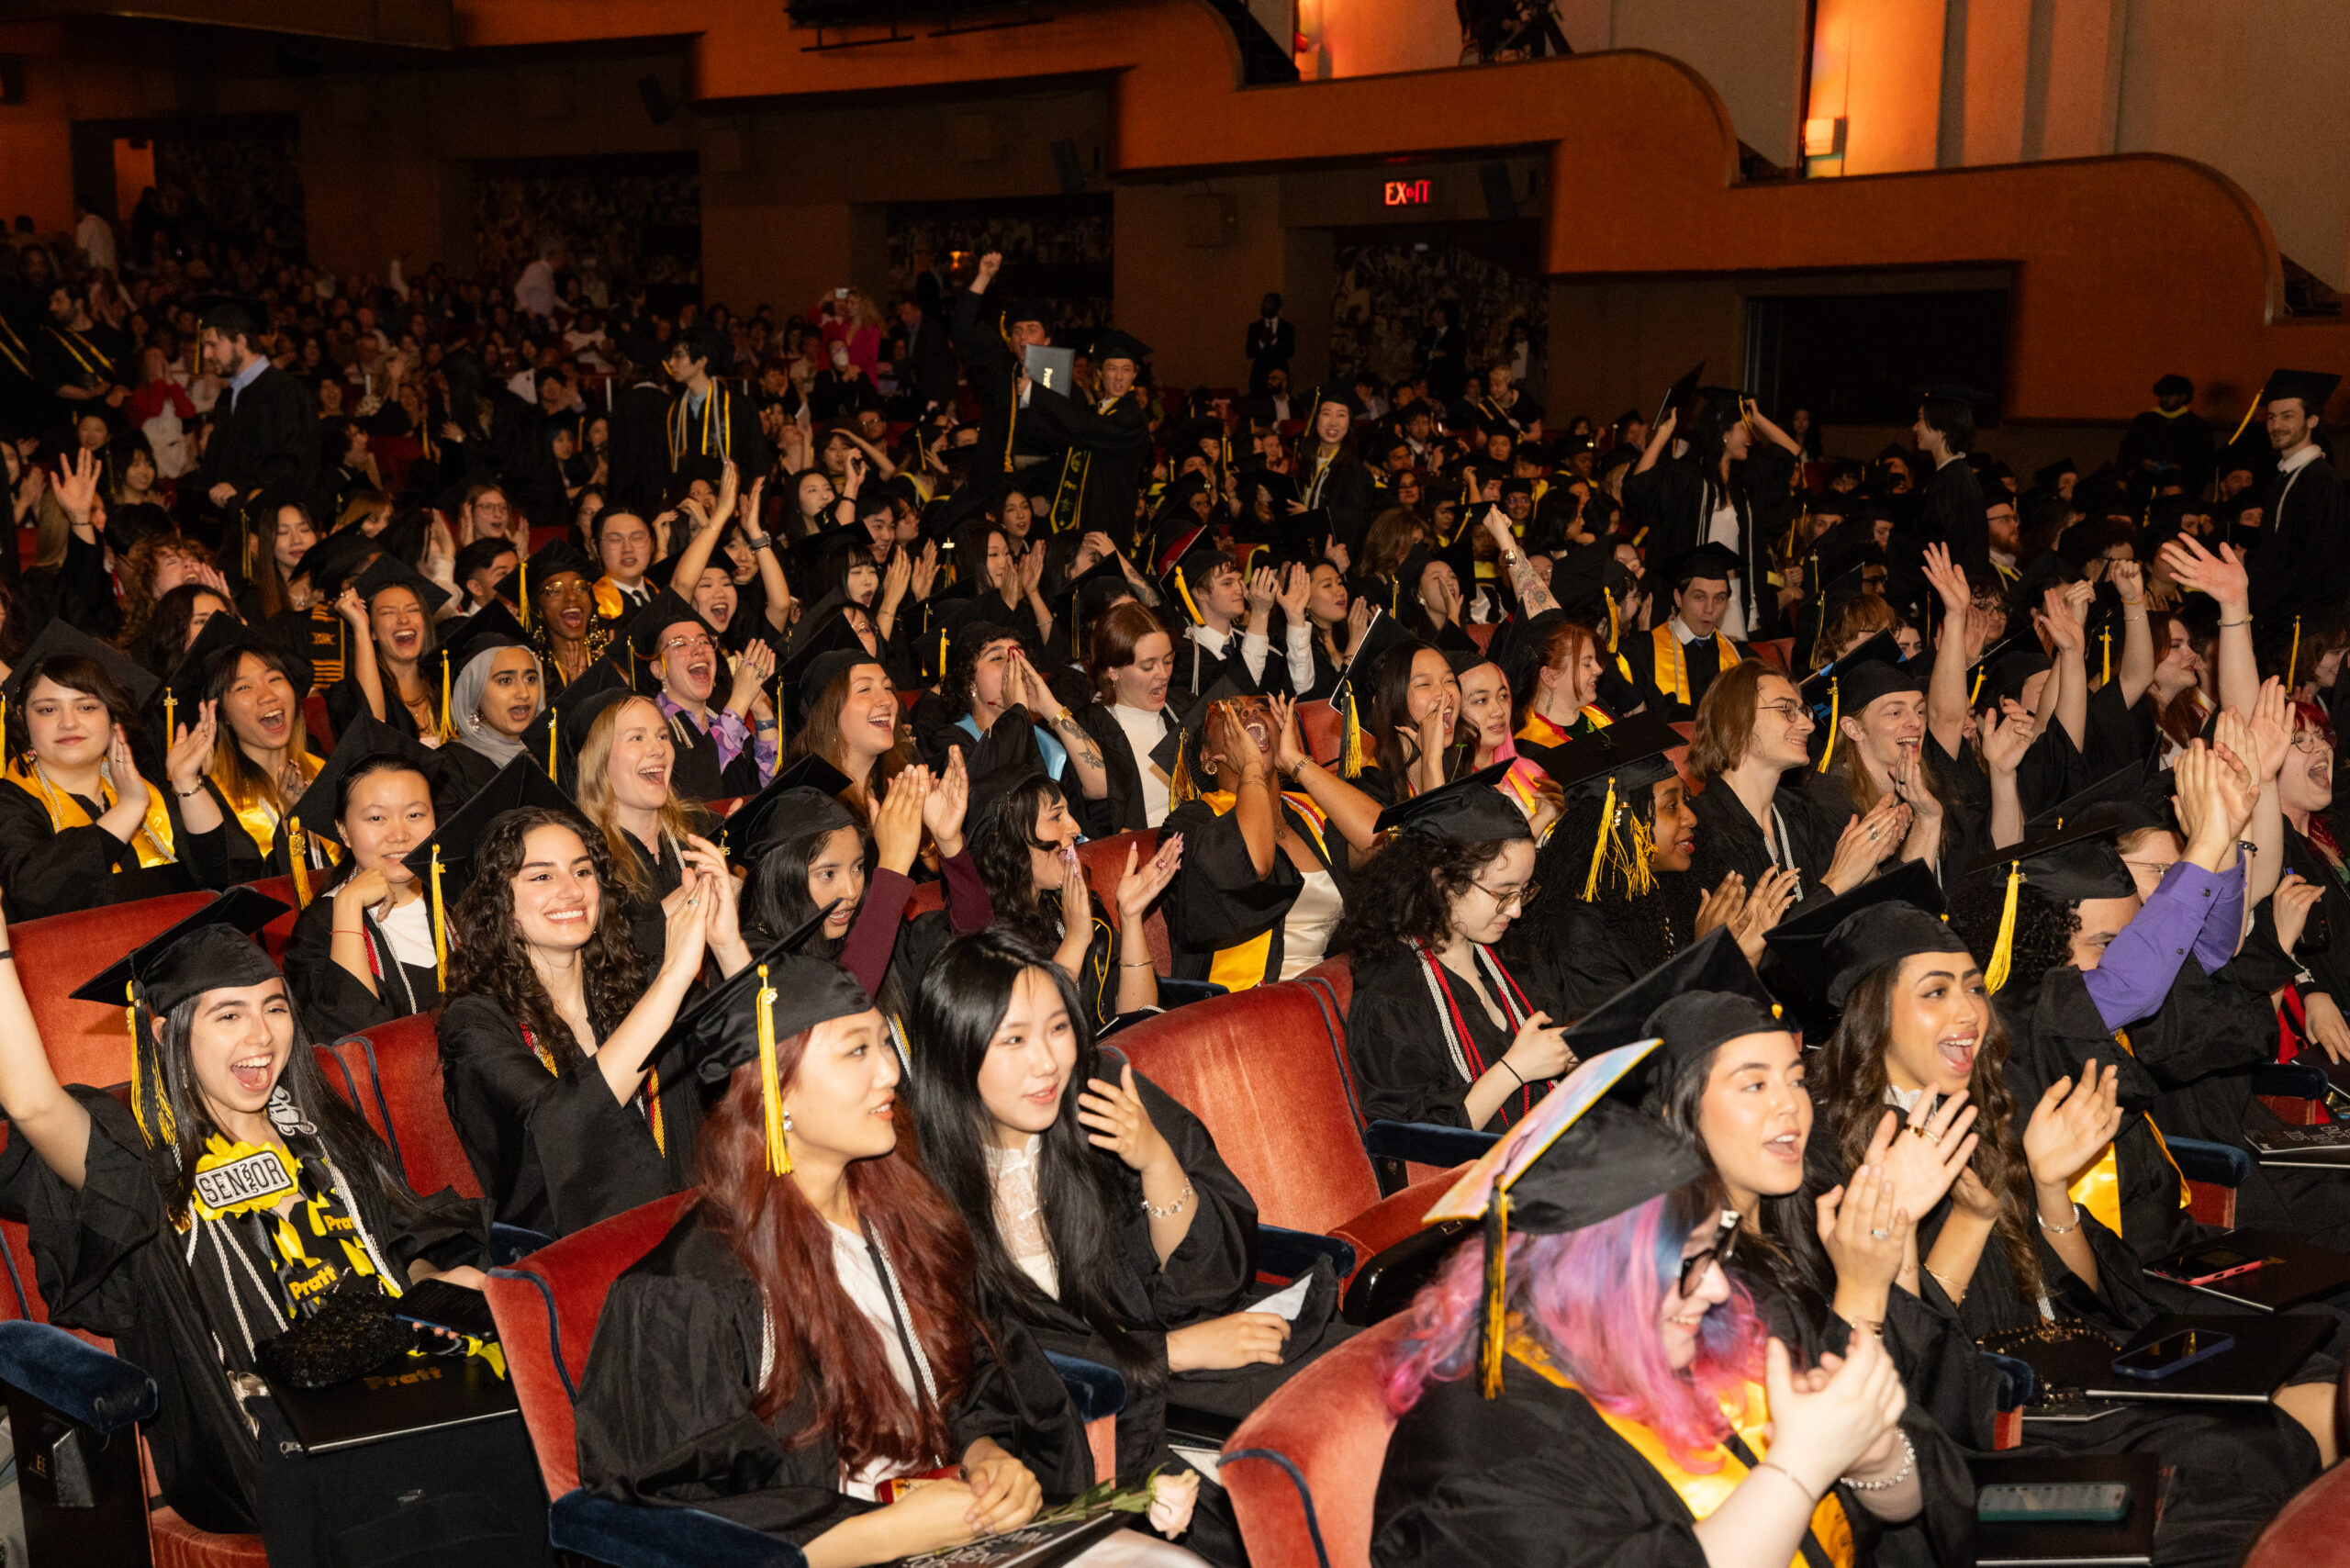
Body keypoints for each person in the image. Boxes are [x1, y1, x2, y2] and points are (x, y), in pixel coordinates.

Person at [572, 950, 1200, 1564]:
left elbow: (976, 1376)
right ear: (774, 1090)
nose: (892, 1073)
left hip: (957, 1529)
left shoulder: (906, 1221)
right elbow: (663, 1525)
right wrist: (891, 1534)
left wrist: (987, 1455)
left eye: (884, 1044)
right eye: (856, 1051)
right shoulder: (687, 1294)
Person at [1798, 889, 2338, 1555]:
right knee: (2251, 1461)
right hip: (1998, 1421)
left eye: (1972, 987)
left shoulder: (1997, 1096)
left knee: (2310, 1396)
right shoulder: (1830, 1161)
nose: (1968, 1011)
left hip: (2081, 1363)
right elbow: (1914, 1373)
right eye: (1935, 993)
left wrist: (2051, 1188)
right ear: (1873, 1015)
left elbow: (2077, 1295)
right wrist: (1971, 1221)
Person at [0, 890, 530, 1557]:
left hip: (396, 1388)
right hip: (258, 1435)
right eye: (228, 1014)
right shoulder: (141, 1159)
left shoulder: (320, 1127)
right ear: (166, 1030)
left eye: (274, 1008)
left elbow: (398, 1244)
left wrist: (437, 1282)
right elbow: (31, 1102)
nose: (261, 1036)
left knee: (528, 1435)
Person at [1373, 1053, 1930, 1568]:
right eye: (1688, 1260)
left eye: (1716, 1249)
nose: (1717, 1287)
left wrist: (1874, 1455)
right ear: (1592, 1275)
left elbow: (1898, 1512)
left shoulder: (1722, 1333)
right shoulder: (1484, 1444)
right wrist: (1800, 1466)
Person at [906, 930, 1353, 1566]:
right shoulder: (923, 1183)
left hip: (1190, 1338)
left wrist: (1155, 1160)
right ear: (956, 1051)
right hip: (1091, 1415)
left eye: (1059, 1029)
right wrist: (1167, 1353)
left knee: (1375, 1380)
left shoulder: (1103, 1093)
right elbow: (980, 1352)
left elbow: (1209, 1280)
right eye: (1013, 1039)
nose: (1047, 1063)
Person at [437, 801, 742, 1238]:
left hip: (695, 1227)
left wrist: (726, 943)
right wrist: (674, 977)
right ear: (497, 901)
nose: (573, 890)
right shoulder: (475, 1024)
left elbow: (757, 1064)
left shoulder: (632, 982)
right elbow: (563, 1127)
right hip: (580, 1254)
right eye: (542, 876)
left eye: (582, 871)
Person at [1334, 766, 1568, 1128]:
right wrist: (1515, 1069)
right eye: (1503, 894)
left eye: (1523, 891)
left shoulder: (1508, 953)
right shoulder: (1394, 993)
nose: (1518, 910)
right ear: (1443, 883)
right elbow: (1415, 1141)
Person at [0, 622, 238, 918]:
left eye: (86, 707)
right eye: (48, 709)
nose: (68, 723)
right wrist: (129, 807)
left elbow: (218, 878)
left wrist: (185, 781)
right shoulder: (10, 802)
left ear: (112, 715)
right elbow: (34, 893)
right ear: (23, 718)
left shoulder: (144, 786)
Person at [1158, 690, 1380, 990]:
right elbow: (1254, 865)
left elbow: (1379, 841)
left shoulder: (1307, 812)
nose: (1250, 713)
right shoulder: (1191, 825)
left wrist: (1295, 760)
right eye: (1232, 712)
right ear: (1208, 757)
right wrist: (1251, 765)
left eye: (1259, 707)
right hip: (1247, 1010)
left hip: (1331, 993)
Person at [733, 753, 985, 1011]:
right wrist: (894, 865)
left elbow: (978, 947)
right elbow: (840, 1010)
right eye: (828, 874)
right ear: (780, 879)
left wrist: (949, 842)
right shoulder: (751, 962)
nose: (851, 891)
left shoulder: (873, 933)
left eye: (858, 867)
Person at [1683, 660, 1905, 910]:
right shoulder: (1700, 829)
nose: (1808, 725)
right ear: (1737, 718)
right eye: (1786, 710)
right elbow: (1757, 945)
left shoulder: (1803, 811)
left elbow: (1845, 917)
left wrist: (1869, 863)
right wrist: (1838, 879)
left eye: (1802, 711)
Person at [968, 772, 1179, 1028]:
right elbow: (1031, 1029)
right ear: (1010, 839)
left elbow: (1136, 1019)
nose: (1076, 829)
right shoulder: (978, 935)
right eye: (1056, 817)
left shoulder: (1071, 907)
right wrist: (1076, 939)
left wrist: (1131, 917)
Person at [279, 719, 445, 1038]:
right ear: (343, 830)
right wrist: (348, 905)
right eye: (376, 818)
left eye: (415, 815)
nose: (399, 835)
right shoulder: (319, 929)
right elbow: (353, 1043)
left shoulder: (460, 903)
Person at [1626, 389, 1802, 645]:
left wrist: (1756, 416)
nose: (1750, 438)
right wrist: (1664, 433)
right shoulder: (1689, 478)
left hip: (1736, 597)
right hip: (1697, 596)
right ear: (1725, 433)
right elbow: (1638, 486)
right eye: (1744, 429)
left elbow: (1790, 451)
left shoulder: (1745, 483)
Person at [196, 302, 319, 533]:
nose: (206, 354)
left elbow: (291, 460)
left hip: (270, 525)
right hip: (231, 523)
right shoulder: (228, 397)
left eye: (213, 344)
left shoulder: (285, 391)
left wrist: (241, 486)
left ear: (241, 342)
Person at [2244, 368, 2348, 630]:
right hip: (2280, 609)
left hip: (2301, 618)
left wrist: (2249, 561)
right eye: (2271, 417)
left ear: (2312, 420)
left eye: (2287, 417)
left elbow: (2314, 560)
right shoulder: (2286, 475)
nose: (2276, 426)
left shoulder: (2320, 481)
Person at [1070, 600, 1181, 833]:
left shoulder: (1182, 707)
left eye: (1168, 661)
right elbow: (1098, 789)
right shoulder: (1092, 726)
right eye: (1148, 666)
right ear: (1113, 671)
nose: (1163, 674)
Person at [329, 550, 451, 744]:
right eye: (388, 613)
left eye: (412, 610)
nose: (403, 619)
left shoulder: (447, 687)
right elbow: (374, 729)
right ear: (373, 632)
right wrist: (360, 627)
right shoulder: (347, 695)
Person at [1619, 543, 1750, 720]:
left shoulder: (1741, 656)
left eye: (1719, 598)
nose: (1709, 609)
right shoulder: (1642, 651)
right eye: (1699, 597)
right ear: (1678, 598)